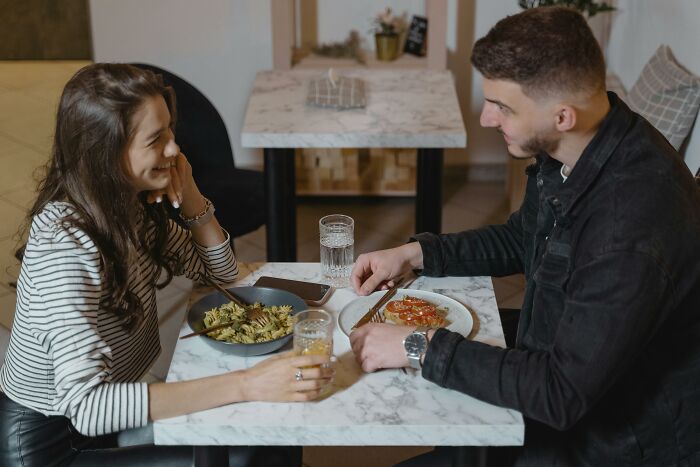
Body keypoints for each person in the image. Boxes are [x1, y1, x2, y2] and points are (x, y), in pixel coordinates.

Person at [350, 7, 700, 466]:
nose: (485, 119)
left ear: (562, 115)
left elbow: (561, 392)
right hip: (556, 380)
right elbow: (522, 237)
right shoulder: (581, 143)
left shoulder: (629, 226)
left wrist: (418, 344)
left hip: (604, 442)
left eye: (502, 106)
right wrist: (415, 253)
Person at [0, 63, 332, 467]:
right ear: (105, 151)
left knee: (269, 433)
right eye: (156, 140)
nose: (174, 149)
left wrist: (190, 194)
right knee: (247, 450)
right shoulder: (65, 246)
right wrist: (246, 384)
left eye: (170, 131)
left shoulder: (126, 206)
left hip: (99, 424)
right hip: (55, 445)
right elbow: (86, 406)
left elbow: (221, 273)